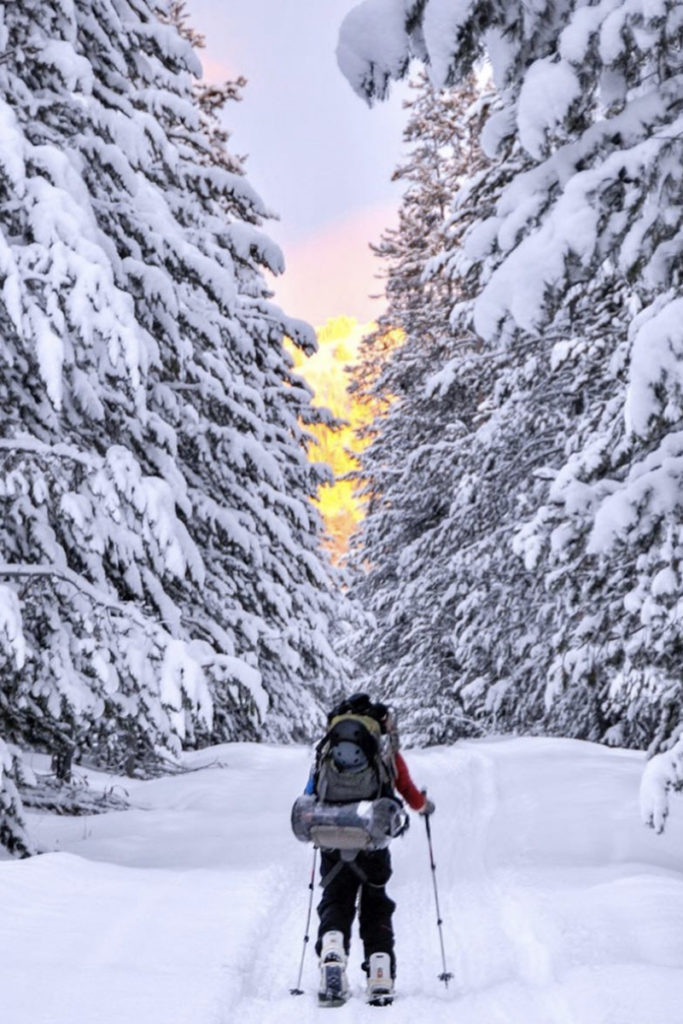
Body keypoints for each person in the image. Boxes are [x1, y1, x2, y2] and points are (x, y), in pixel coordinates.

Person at [305, 692, 435, 1005]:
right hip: (372, 841)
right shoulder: (384, 749)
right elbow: (405, 788)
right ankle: (380, 974)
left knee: (336, 899)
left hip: (332, 838)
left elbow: (310, 793)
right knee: (375, 903)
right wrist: (423, 805)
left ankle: (333, 951)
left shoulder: (327, 751)